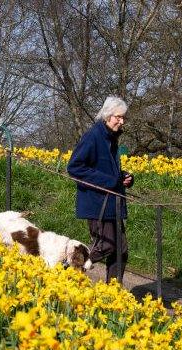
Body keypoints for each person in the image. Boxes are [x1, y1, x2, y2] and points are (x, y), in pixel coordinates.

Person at [67, 96, 134, 283]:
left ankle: (112, 293)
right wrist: (111, 181)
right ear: (107, 116)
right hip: (98, 204)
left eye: (123, 118)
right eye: (118, 117)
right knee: (106, 246)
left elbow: (107, 171)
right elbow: (74, 167)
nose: (122, 121)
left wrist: (125, 177)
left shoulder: (111, 139)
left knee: (121, 251)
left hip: (112, 203)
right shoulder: (93, 136)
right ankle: (68, 269)